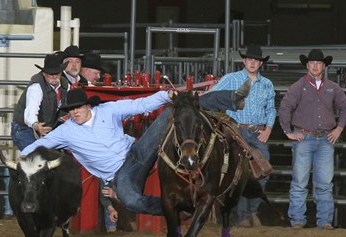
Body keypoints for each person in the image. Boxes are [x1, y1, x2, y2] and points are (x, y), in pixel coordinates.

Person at [20, 86, 249, 216]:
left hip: (136, 152)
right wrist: (21, 157)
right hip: (120, 174)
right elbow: (40, 144)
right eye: (70, 110)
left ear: (88, 106)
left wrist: (166, 96)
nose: (74, 112)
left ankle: (230, 98)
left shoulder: (108, 110)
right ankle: (176, 210)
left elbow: (140, 105)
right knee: (130, 200)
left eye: (77, 107)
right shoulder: (66, 132)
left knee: (176, 109)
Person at [278, 49, 346, 230]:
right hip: (305, 137)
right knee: (300, 182)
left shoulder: (332, 87)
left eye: (318, 63)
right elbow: (285, 107)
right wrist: (288, 131)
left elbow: (345, 107)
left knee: (324, 183)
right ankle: (297, 220)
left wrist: (339, 128)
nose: (315, 65)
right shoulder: (298, 86)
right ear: (307, 65)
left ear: (324, 66)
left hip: (325, 139)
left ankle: (323, 221)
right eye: (312, 63)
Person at [207, 45, 276, 228]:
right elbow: (211, 95)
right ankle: (243, 216)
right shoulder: (231, 79)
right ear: (244, 61)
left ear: (260, 63)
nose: (253, 62)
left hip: (259, 132)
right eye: (249, 59)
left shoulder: (267, 84)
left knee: (264, 170)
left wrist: (268, 129)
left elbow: (271, 109)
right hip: (238, 130)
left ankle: (249, 212)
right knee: (242, 173)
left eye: (256, 60)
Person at [11, 53, 70, 151]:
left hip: (47, 129)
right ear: (44, 74)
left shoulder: (65, 85)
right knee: (36, 156)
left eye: (57, 73)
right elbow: (31, 111)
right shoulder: (36, 87)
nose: (55, 76)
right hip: (24, 129)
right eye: (51, 74)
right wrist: (35, 125)